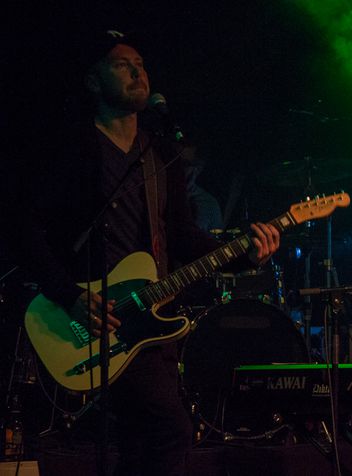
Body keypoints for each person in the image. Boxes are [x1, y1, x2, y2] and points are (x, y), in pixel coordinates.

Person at [7, 29, 280, 475]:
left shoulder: (159, 153)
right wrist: (69, 295)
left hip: (146, 319)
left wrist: (247, 253)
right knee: (167, 430)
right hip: (87, 315)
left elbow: (184, 237)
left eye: (141, 64)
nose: (138, 72)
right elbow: (25, 230)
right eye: (122, 65)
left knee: (142, 443)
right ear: (94, 83)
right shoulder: (71, 147)